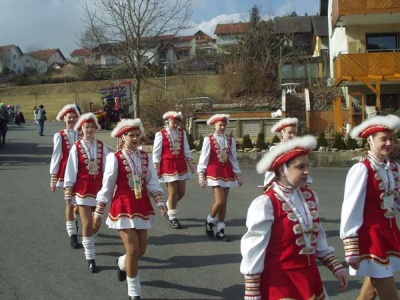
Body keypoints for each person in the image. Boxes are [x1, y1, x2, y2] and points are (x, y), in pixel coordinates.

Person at [241, 135, 348, 299]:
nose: (307, 171)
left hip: (310, 278)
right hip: (281, 282)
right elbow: (254, 249)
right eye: (300, 167)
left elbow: (317, 237)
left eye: (307, 165)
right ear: (283, 169)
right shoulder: (266, 203)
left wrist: (336, 267)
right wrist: (252, 292)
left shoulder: (310, 197)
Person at [95, 118, 167, 300]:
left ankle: (121, 263)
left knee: (141, 250)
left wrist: (160, 201)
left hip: (141, 205)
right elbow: (108, 186)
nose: (135, 139)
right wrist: (98, 210)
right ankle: (134, 291)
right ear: (122, 137)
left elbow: (152, 181)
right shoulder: (114, 158)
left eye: (137, 135)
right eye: (131, 136)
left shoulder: (145, 157)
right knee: (133, 249)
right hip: (123, 206)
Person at [340, 114, 400, 300]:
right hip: (371, 238)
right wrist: (351, 246)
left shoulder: (393, 168)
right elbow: (350, 209)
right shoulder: (361, 169)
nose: (389, 143)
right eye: (383, 139)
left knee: (370, 290)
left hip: (389, 233)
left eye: (392, 139)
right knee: (387, 288)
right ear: (370, 141)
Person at [64, 112, 108, 273]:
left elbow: (108, 169)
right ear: (81, 129)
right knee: (88, 223)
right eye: (86, 127)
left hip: (98, 189)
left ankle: (87, 238)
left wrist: (111, 187)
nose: (89, 130)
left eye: (91, 127)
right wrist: (69, 189)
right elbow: (71, 169)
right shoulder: (76, 147)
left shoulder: (102, 146)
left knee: (96, 224)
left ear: (96, 129)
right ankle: (90, 257)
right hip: (82, 188)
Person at [197, 114, 243, 242]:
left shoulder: (230, 140)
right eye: (220, 125)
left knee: (224, 203)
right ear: (214, 126)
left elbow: (233, 158)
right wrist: (201, 174)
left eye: (224, 125)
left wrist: (238, 174)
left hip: (227, 171)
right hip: (214, 171)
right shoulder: (209, 139)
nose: (222, 127)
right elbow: (204, 158)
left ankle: (221, 230)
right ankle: (210, 220)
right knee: (220, 200)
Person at [152, 111, 195, 229]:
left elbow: (186, 148)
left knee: (181, 192)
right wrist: (156, 167)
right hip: (168, 164)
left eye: (177, 122)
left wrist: (191, 163)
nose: (175, 124)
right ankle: (173, 217)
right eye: (173, 121)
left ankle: (168, 205)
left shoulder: (182, 133)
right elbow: (156, 152)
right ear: (168, 121)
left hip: (180, 164)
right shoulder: (160, 134)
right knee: (173, 192)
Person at [49, 104, 81, 249]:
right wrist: (53, 177)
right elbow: (56, 156)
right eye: (70, 118)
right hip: (66, 171)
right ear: (64, 119)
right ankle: (73, 235)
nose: (72, 120)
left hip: (82, 172)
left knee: (79, 204)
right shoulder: (59, 135)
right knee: (69, 202)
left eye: (74, 117)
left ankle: (75, 218)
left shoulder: (82, 133)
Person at [263, 117, 298, 186]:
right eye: (289, 132)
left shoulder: (298, 150)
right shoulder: (275, 150)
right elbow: (270, 172)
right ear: (282, 133)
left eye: (294, 132)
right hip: (281, 187)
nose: (293, 135)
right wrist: (268, 185)